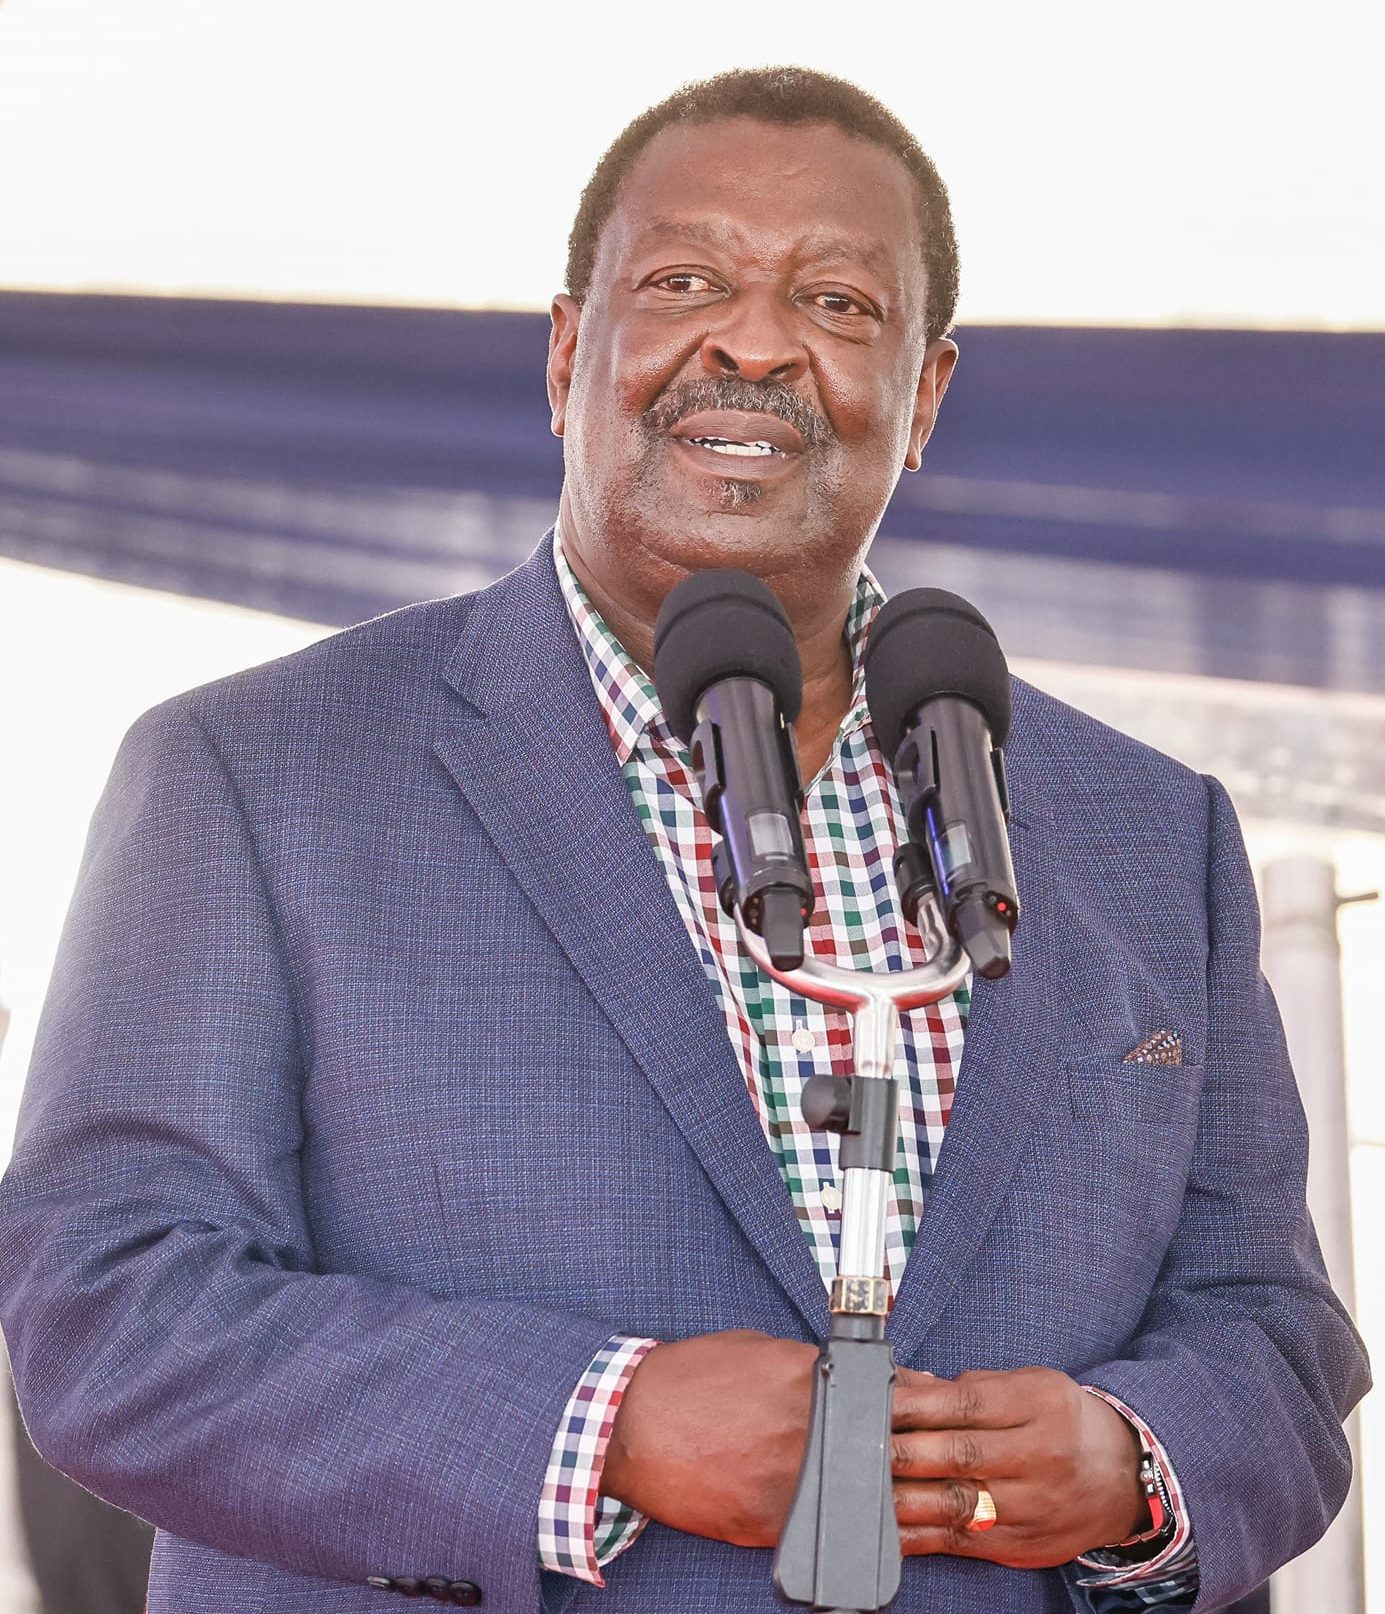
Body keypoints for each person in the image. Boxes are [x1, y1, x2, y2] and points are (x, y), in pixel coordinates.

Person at [0, 66, 1367, 1614]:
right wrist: (599, 1423)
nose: (757, 342)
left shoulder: (1149, 829)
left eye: (839, 303)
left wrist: (1134, 1459)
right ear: (567, 353)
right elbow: (113, 1313)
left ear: (922, 397)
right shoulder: (256, 771)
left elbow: (1271, 1335)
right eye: (684, 282)